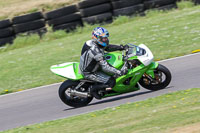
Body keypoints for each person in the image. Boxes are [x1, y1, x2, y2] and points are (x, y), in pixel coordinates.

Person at [79, 27, 128, 99]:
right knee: (111, 81)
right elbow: (105, 67)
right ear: (97, 38)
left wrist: (121, 47)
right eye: (103, 38)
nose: (105, 40)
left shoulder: (91, 42)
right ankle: (93, 89)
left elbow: (107, 47)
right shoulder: (95, 51)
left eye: (106, 38)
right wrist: (120, 72)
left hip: (91, 64)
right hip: (90, 72)